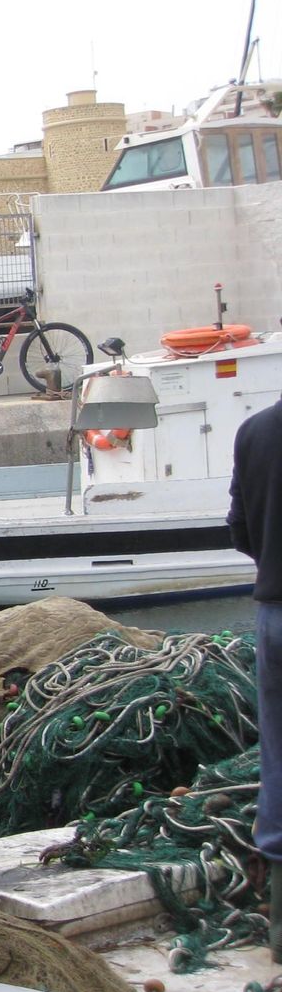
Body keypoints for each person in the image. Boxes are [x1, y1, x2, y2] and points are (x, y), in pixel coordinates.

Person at [226, 398, 282, 961]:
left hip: (273, 616)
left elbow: (238, 528)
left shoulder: (255, 429)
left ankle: (279, 926)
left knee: (277, 758)